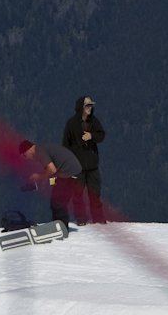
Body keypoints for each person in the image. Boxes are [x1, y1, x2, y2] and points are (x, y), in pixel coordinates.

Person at [61, 95, 106, 224]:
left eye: (91, 105)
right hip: (77, 166)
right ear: (81, 107)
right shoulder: (71, 124)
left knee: (95, 194)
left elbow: (102, 135)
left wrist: (91, 135)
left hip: (92, 166)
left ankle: (98, 219)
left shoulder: (94, 121)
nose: (90, 108)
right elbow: (66, 144)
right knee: (78, 195)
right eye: (87, 105)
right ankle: (81, 219)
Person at [18, 139, 82, 228]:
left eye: (25, 156)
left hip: (69, 173)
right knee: (57, 201)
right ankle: (59, 226)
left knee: (58, 202)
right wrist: (42, 181)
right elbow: (50, 170)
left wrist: (38, 177)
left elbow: (52, 170)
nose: (27, 158)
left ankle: (62, 228)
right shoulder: (42, 149)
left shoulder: (39, 151)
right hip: (69, 172)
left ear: (28, 150)